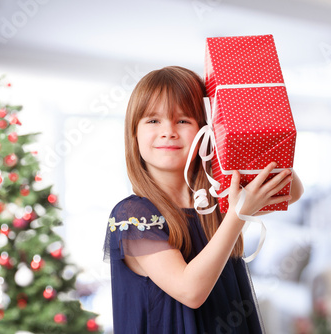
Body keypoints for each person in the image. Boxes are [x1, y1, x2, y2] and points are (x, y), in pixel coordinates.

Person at [103, 66, 303, 334]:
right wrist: (238, 214)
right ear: (134, 134)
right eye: (153, 121)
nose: (169, 131)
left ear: (204, 131)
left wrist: (240, 129)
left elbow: (292, 190)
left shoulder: (215, 199)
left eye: (183, 120)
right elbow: (191, 291)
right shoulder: (132, 215)